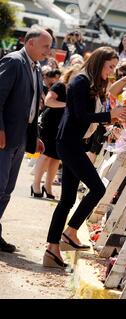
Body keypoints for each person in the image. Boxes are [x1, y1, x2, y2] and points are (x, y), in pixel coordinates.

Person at [43, 47, 126, 268]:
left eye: (114, 67)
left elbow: (90, 116)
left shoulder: (89, 82)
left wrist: (110, 118)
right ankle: (69, 232)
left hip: (73, 144)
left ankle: (52, 249)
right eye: (110, 66)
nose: (111, 71)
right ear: (100, 62)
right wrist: (109, 115)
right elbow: (80, 115)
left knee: (67, 200)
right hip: (69, 144)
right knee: (97, 189)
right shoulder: (80, 81)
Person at [0, 27, 51, 253]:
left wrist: (35, 137)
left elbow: (31, 107)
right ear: (30, 43)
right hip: (5, 136)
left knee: (7, 189)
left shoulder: (36, 67)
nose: (48, 51)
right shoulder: (13, 62)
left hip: (20, 138)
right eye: (45, 46)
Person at [32, 65, 82, 200]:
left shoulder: (77, 90)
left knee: (56, 157)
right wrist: (67, 105)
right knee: (46, 154)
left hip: (63, 125)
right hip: (51, 123)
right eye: (75, 75)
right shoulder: (60, 86)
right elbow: (48, 101)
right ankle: (36, 184)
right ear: (70, 74)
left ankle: (48, 186)